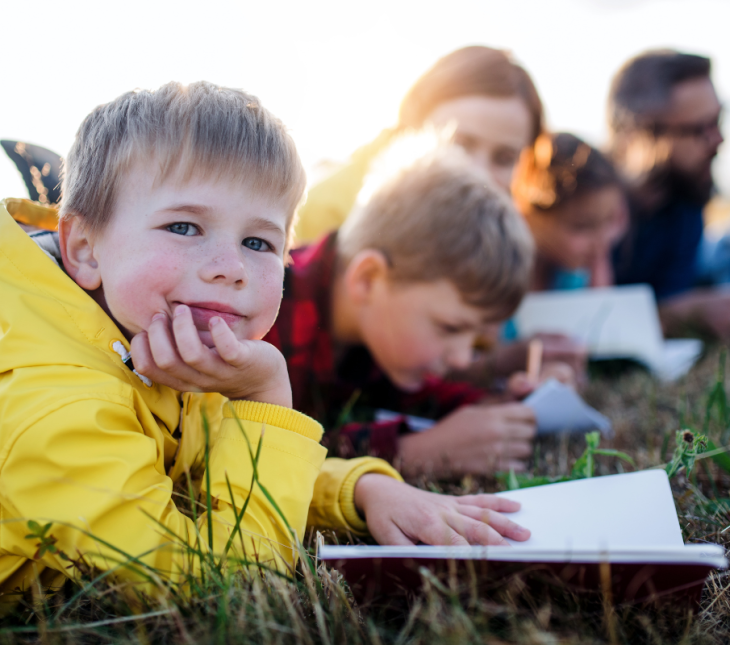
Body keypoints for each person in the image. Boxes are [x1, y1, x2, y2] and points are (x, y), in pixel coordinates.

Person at [0, 82, 531, 608]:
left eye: (258, 242)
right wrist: (266, 396)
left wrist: (362, 488)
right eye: (184, 226)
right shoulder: (62, 402)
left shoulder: (144, 333)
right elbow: (224, 585)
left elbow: (205, 457)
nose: (230, 269)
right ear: (86, 249)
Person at [266, 139, 544, 479]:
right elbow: (259, 452)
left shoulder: (379, 328)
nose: (461, 357)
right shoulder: (265, 316)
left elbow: (421, 397)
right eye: (450, 328)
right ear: (368, 279)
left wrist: (497, 405)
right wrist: (417, 453)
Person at [294, 45, 544, 245]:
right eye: (459, 144)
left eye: (504, 158)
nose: (479, 173)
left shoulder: (509, 236)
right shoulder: (329, 211)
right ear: (414, 120)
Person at [608, 49, 729, 339]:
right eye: (700, 129)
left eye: (718, 120)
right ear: (642, 135)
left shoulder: (685, 201)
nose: (719, 139)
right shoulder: (589, 203)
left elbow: (673, 293)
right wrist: (689, 312)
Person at [512, 132, 628, 292]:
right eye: (582, 227)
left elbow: (600, 303)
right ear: (529, 216)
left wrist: (598, 268)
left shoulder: (579, 268)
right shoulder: (506, 270)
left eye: (609, 220)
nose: (601, 242)